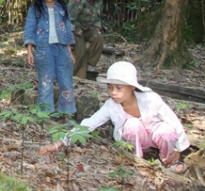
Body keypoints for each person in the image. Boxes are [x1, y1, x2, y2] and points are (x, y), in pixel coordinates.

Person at [40, 61, 190, 174]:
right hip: (136, 138)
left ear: (132, 87)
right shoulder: (111, 105)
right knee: (132, 126)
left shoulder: (151, 99)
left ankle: (168, 161)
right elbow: (89, 124)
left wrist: (179, 148)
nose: (113, 93)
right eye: (110, 87)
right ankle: (138, 161)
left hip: (156, 134)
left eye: (119, 88)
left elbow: (172, 120)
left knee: (166, 130)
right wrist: (59, 143)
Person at [23, 0, 76, 115]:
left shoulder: (63, 8)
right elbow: (30, 29)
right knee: (46, 82)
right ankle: (45, 114)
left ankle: (67, 113)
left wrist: (70, 51)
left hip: (62, 49)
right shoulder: (35, 8)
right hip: (43, 49)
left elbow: (68, 30)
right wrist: (29, 51)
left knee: (66, 82)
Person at [68, 0, 105, 78]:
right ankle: (74, 76)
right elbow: (69, 18)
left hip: (88, 28)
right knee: (81, 50)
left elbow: (97, 17)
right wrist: (70, 34)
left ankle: (90, 66)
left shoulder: (99, 0)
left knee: (98, 38)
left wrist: (98, 29)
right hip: (76, 28)